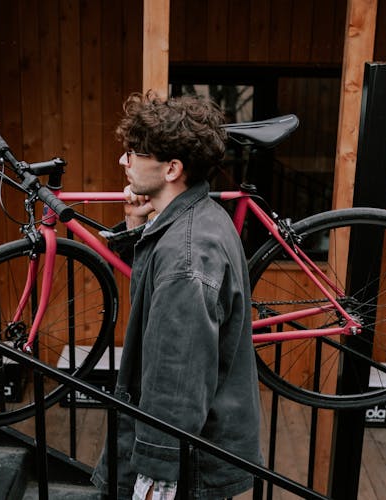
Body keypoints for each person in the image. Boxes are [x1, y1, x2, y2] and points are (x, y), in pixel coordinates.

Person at [91, 91, 262, 499]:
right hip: (197, 452)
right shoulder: (199, 218)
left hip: (186, 468)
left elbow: (176, 381)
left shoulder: (186, 258)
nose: (123, 160)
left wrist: (155, 478)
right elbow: (157, 305)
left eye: (133, 152)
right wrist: (135, 224)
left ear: (171, 169)